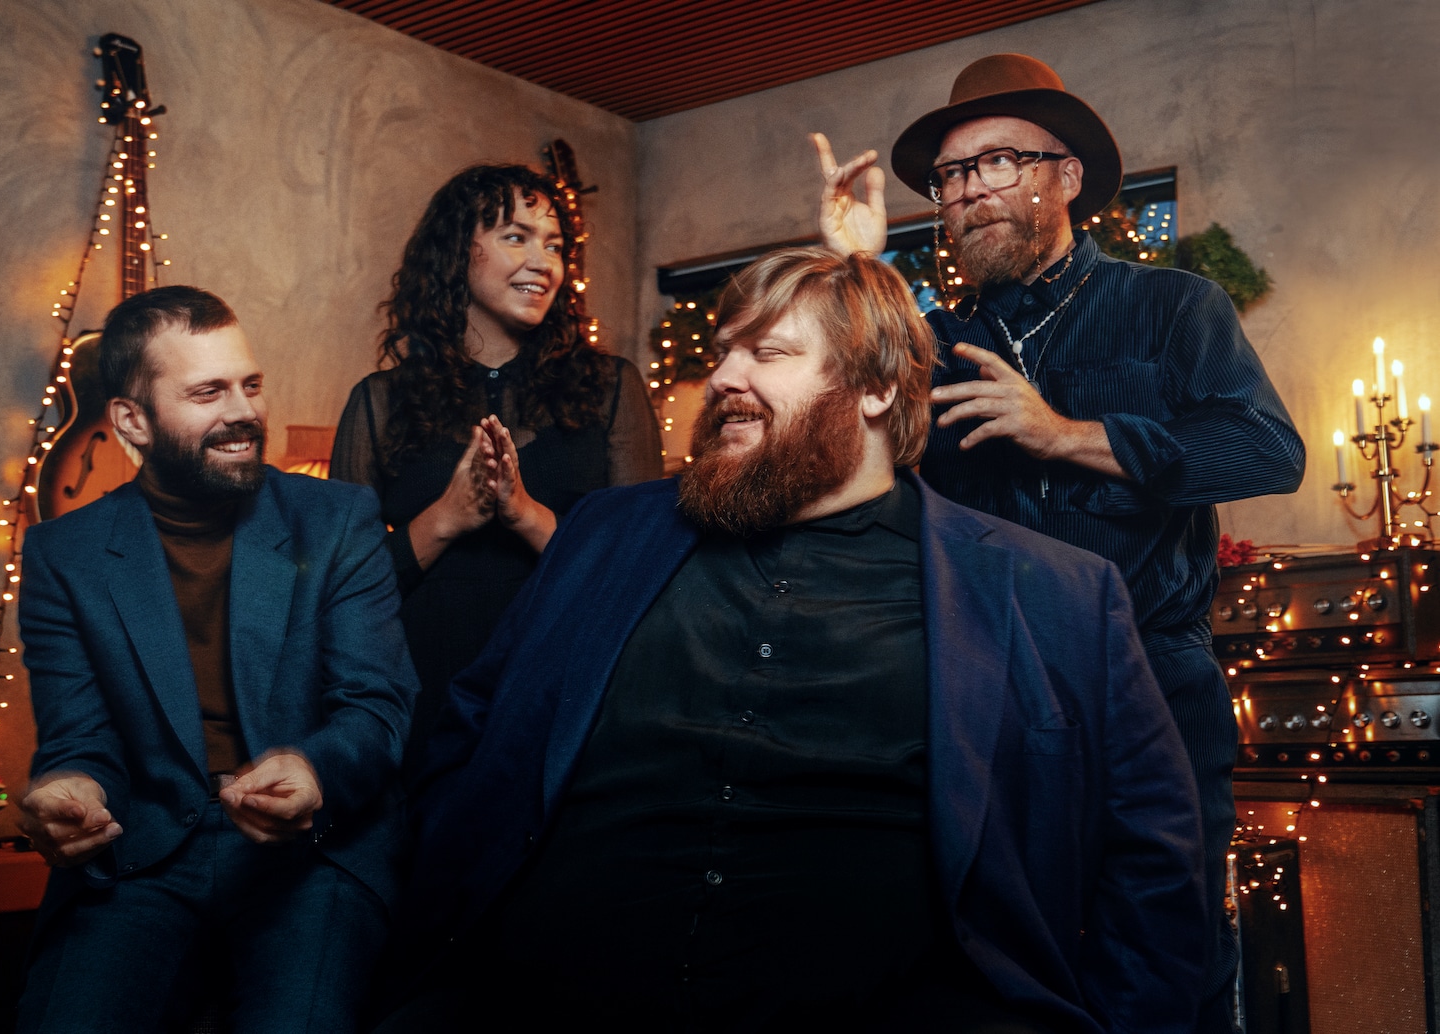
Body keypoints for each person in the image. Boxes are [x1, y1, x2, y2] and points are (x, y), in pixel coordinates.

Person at [385, 248, 1206, 1033]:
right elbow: (475, 728)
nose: (724, 378)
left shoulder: (1051, 592)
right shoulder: (605, 535)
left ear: (877, 389)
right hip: (537, 998)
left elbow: (1153, 861)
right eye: (724, 352)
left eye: (767, 353)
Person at [813, 53, 1306, 1033]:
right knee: (995, 961)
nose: (971, 189)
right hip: (980, 696)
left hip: (1152, 688)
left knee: (1167, 962)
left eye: (999, 161)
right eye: (953, 175)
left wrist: (1065, 434)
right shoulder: (925, 346)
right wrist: (854, 270)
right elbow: (831, 449)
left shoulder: (1173, 307)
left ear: (1066, 175)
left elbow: (1266, 448)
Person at [15, 285, 416, 1033]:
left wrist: (314, 770)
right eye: (208, 392)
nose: (244, 412)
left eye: (250, 384)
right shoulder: (62, 554)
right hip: (144, 854)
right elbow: (80, 737)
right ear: (132, 420)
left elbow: (377, 706)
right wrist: (71, 786)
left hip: (311, 855)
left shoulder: (338, 519)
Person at [331, 163, 661, 775]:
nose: (543, 262)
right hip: (419, 696)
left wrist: (527, 516)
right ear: (459, 250)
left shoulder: (610, 390)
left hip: (555, 691)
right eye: (517, 236)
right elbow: (342, 589)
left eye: (554, 246)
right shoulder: (380, 402)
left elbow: (639, 574)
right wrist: (446, 518)